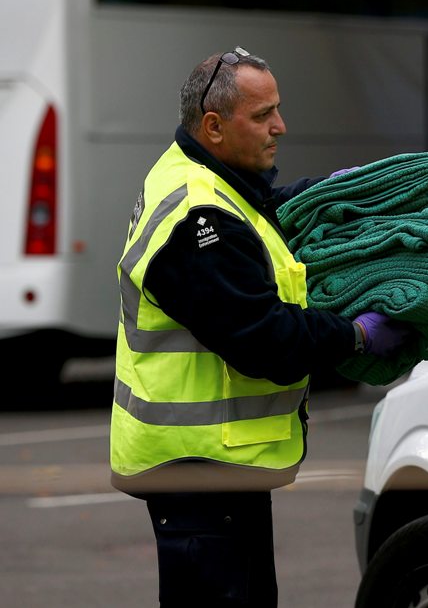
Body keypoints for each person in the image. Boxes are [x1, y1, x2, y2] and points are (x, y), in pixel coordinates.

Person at [109, 47, 411, 607]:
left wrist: (322, 192)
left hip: (214, 468)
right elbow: (264, 339)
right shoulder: (200, 219)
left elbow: (259, 212)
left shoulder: (202, 176)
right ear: (214, 126)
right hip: (200, 467)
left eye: (278, 109)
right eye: (262, 115)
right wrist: (357, 335)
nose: (281, 126)